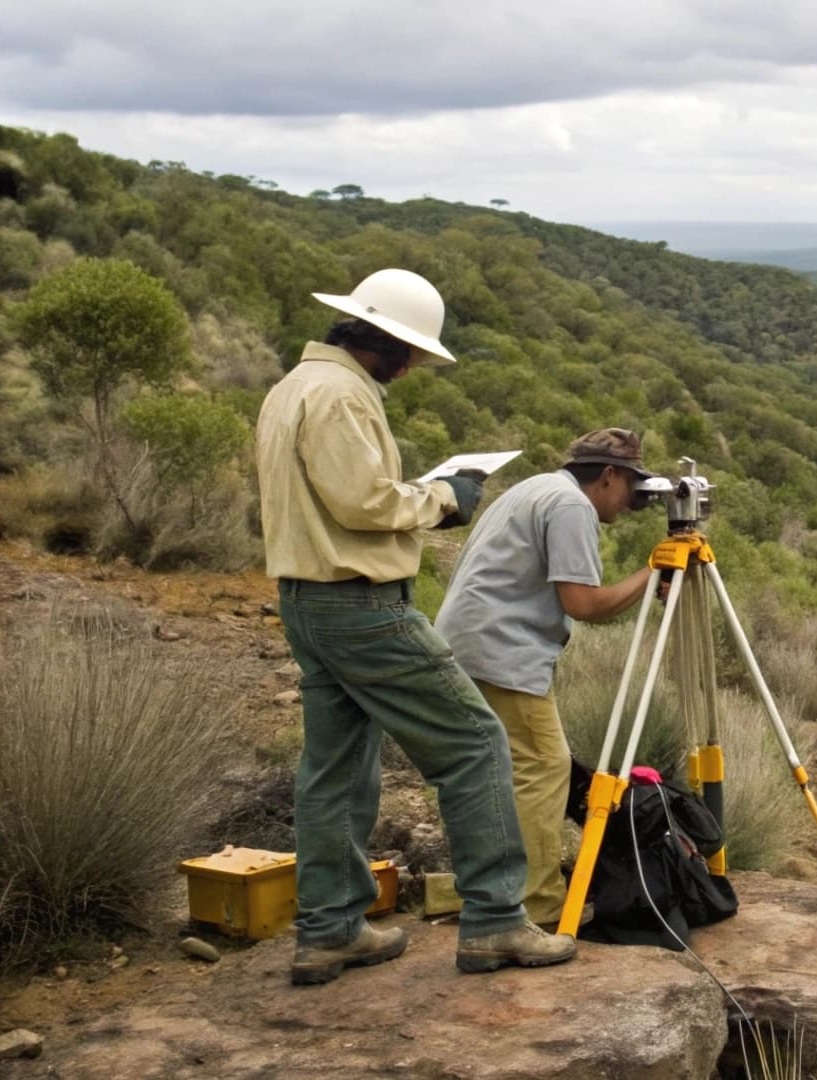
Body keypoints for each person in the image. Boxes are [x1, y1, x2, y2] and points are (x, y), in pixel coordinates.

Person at [255, 267, 576, 985]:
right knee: (475, 744)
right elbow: (364, 503)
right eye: (406, 354)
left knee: (335, 768)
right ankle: (496, 922)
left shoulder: (292, 388)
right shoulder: (339, 396)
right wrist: (444, 497)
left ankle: (330, 929)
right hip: (360, 606)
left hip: (307, 600)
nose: (407, 368)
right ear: (381, 343)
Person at [434, 428, 655, 930]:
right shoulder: (571, 507)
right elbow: (583, 604)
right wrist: (653, 574)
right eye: (629, 489)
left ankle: (479, 891)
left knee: (500, 772)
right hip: (501, 652)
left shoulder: (535, 487)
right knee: (545, 767)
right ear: (608, 475)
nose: (628, 506)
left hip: (466, 643)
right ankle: (536, 902)